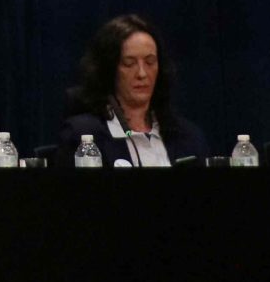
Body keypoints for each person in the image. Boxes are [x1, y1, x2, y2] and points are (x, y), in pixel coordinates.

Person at [54, 13, 209, 167]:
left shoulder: (188, 137)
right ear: (109, 70)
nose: (142, 73)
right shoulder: (83, 135)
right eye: (129, 63)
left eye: (150, 62)